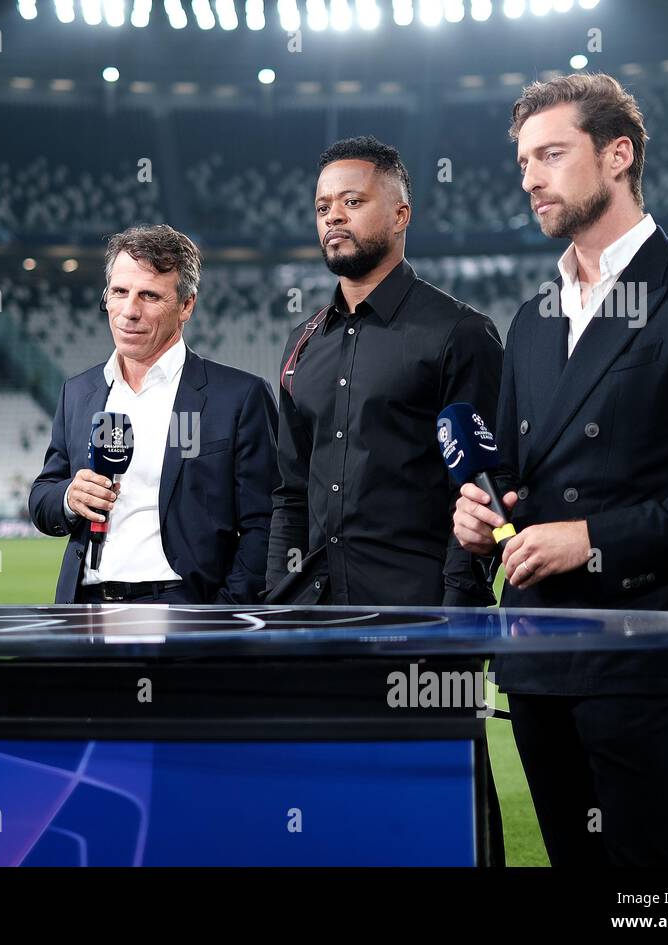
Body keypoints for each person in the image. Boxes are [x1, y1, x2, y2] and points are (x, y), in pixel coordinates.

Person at [453, 74, 668, 866]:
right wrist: (482, 517)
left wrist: (592, 539)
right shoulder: (532, 318)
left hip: (637, 650)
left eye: (552, 154)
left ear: (618, 155)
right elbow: (513, 482)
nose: (530, 176)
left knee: (656, 888)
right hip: (533, 653)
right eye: (524, 159)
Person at [265, 136, 504, 607]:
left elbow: (484, 488)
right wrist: (277, 597)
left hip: (419, 615)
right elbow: (290, 494)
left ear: (400, 215)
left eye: (352, 201)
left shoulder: (460, 333)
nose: (333, 216)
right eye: (322, 206)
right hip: (314, 618)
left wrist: (455, 608)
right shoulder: (303, 343)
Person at [29, 224, 279, 604]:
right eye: (119, 292)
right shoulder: (78, 393)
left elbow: (265, 524)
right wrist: (69, 496)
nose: (129, 311)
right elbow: (43, 498)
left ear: (186, 305)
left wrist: (222, 614)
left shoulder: (239, 397)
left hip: (184, 609)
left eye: (149, 295)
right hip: (86, 610)